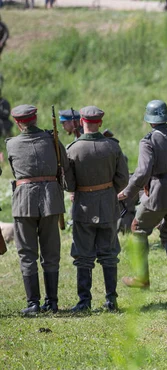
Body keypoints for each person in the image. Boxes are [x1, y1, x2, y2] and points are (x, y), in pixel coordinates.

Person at [118, 100, 167, 292]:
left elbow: (143, 171)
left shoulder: (148, 141)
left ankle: (141, 277)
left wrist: (128, 191)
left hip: (158, 195)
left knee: (138, 229)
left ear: (149, 119)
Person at [64, 106, 129, 312]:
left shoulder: (72, 149)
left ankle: (84, 302)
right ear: (100, 123)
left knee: (83, 255)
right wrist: (108, 191)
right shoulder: (112, 146)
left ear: (81, 122)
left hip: (83, 206)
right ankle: (111, 300)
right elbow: (123, 179)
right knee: (109, 253)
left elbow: (69, 185)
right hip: (108, 204)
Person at [6, 105, 68, 315]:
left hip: (24, 201)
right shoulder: (52, 139)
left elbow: (15, 171)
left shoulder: (12, 144)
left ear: (17, 122)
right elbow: (65, 164)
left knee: (27, 254)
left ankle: (33, 303)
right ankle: (52, 302)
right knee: (51, 253)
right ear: (35, 118)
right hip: (51, 200)